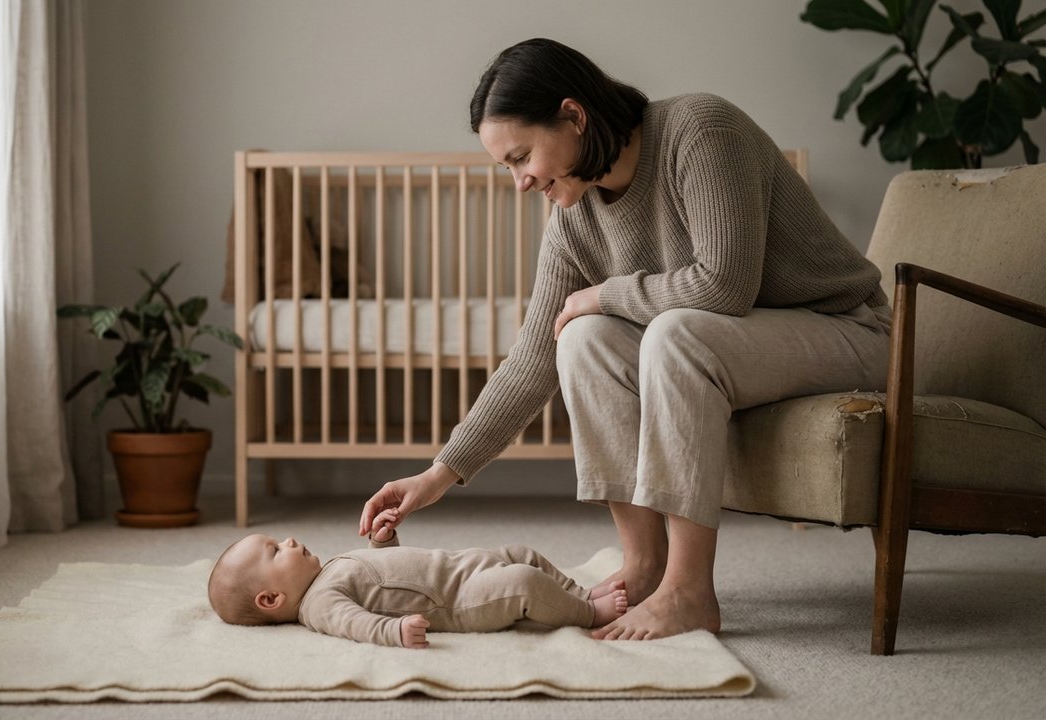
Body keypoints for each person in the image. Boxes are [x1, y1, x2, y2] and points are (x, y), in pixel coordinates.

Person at [358, 38, 891, 642]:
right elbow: (533, 361)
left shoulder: (700, 129)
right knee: (580, 338)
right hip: (745, 352)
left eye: (522, 156)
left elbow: (725, 285)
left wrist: (605, 294)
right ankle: (645, 566)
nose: (520, 182)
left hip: (849, 332)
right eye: (508, 166)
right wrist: (434, 476)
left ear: (574, 117)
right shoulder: (574, 215)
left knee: (672, 330)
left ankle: (691, 592)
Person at [207, 509, 629, 648]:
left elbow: (384, 583)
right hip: (459, 601)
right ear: (271, 599)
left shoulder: (329, 571)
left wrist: (383, 543)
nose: (290, 540)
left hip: (461, 566)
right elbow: (359, 624)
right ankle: (588, 613)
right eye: (276, 551)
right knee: (523, 581)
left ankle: (576, 592)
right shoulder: (319, 606)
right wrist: (395, 631)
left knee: (523, 553)